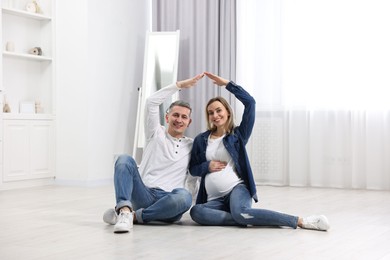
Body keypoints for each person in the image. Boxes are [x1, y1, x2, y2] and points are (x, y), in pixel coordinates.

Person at [189, 72, 330, 231]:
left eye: (218, 110)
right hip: (214, 199)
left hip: (237, 189)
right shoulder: (201, 139)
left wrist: (228, 84)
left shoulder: (238, 136)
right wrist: (207, 166)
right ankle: (241, 217)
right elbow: (193, 168)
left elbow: (250, 103)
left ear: (227, 112)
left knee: (240, 212)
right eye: (210, 112)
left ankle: (300, 221)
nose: (215, 115)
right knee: (196, 212)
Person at [103, 73, 204, 233]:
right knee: (123, 159)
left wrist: (185, 205)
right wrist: (179, 85)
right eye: (175, 115)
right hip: (144, 194)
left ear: (189, 122)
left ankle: (130, 216)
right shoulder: (155, 133)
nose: (179, 120)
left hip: (169, 201)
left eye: (184, 117)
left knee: (184, 197)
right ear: (167, 116)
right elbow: (151, 102)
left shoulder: (192, 145)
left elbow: (192, 179)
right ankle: (125, 210)